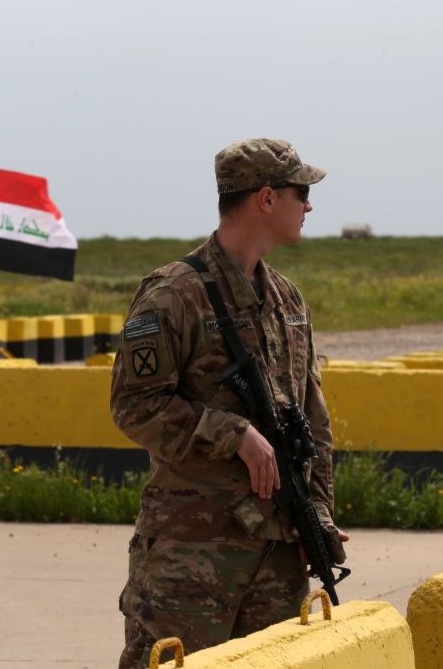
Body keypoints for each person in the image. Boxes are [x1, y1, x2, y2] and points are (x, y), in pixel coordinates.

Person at [110, 138, 347, 668]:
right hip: (192, 561)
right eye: (300, 191)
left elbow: (313, 421)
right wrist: (232, 433)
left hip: (278, 557)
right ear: (266, 198)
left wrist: (320, 514)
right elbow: (134, 406)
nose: (309, 205)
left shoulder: (287, 301)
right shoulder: (173, 294)